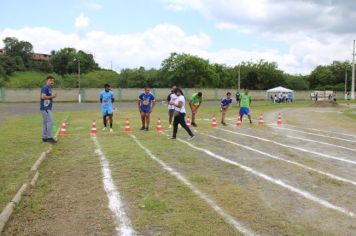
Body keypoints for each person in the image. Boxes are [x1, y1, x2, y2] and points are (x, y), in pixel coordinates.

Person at [40, 76, 57, 143]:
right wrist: (52, 96)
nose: (52, 82)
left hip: (47, 108)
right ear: (47, 81)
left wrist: (52, 96)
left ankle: (44, 137)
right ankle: (50, 137)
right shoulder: (45, 87)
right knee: (50, 122)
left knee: (45, 123)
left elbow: (48, 97)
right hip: (45, 108)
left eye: (53, 80)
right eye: (50, 80)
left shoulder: (49, 88)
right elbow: (43, 97)